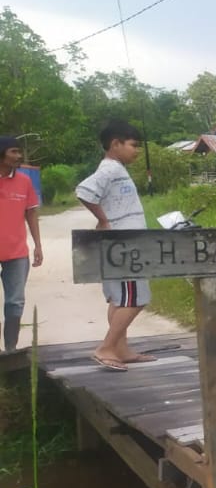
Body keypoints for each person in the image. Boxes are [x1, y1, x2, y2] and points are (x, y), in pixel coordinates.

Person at [75, 120, 157, 371]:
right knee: (136, 297)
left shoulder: (116, 168)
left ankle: (121, 349)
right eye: (133, 145)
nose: (137, 151)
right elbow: (84, 191)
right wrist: (103, 220)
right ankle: (106, 348)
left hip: (122, 243)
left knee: (120, 299)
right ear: (115, 144)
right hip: (124, 244)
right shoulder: (110, 169)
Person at [0, 135, 42, 351]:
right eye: (14, 151)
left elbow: (31, 214)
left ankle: (10, 350)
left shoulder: (24, 181)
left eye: (19, 151)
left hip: (16, 252)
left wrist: (38, 245)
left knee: (15, 301)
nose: (19, 156)